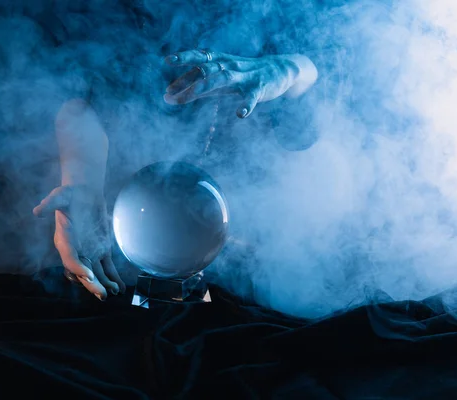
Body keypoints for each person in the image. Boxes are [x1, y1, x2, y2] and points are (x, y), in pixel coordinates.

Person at [31, 1, 319, 301]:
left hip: (243, 244)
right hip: (127, 242)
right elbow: (79, 95)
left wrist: (291, 68)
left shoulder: (270, 10)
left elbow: (303, 126)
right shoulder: (96, 12)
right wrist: (82, 185)